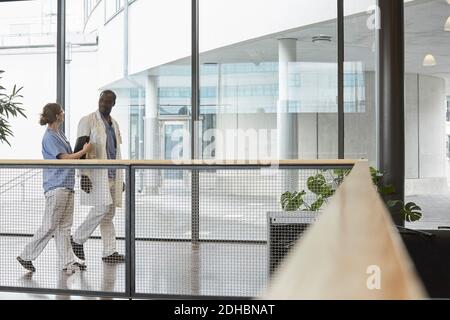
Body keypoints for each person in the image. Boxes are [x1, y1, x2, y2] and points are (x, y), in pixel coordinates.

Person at [17, 103, 92, 273]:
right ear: (57, 115)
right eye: (62, 111)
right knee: (50, 225)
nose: (64, 113)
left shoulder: (60, 134)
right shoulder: (49, 137)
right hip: (56, 186)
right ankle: (26, 255)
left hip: (67, 185)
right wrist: (84, 151)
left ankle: (68, 262)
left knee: (64, 227)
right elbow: (65, 158)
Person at [70, 90, 125, 264]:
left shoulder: (114, 123)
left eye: (108, 102)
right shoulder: (87, 121)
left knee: (109, 214)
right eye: (102, 100)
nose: (103, 104)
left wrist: (120, 178)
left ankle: (110, 252)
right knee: (102, 208)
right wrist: (83, 174)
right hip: (96, 174)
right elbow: (79, 149)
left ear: (113, 104)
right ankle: (77, 238)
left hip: (112, 173)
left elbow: (115, 152)